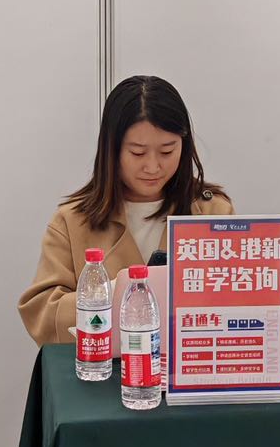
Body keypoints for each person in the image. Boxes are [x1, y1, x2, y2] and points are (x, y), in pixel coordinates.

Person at [19, 75, 232, 345]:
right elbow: (42, 313)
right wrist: (112, 293)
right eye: (137, 153)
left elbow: (239, 300)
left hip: (191, 363)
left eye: (167, 151)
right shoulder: (73, 220)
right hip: (101, 367)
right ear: (112, 150)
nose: (153, 167)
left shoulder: (213, 212)